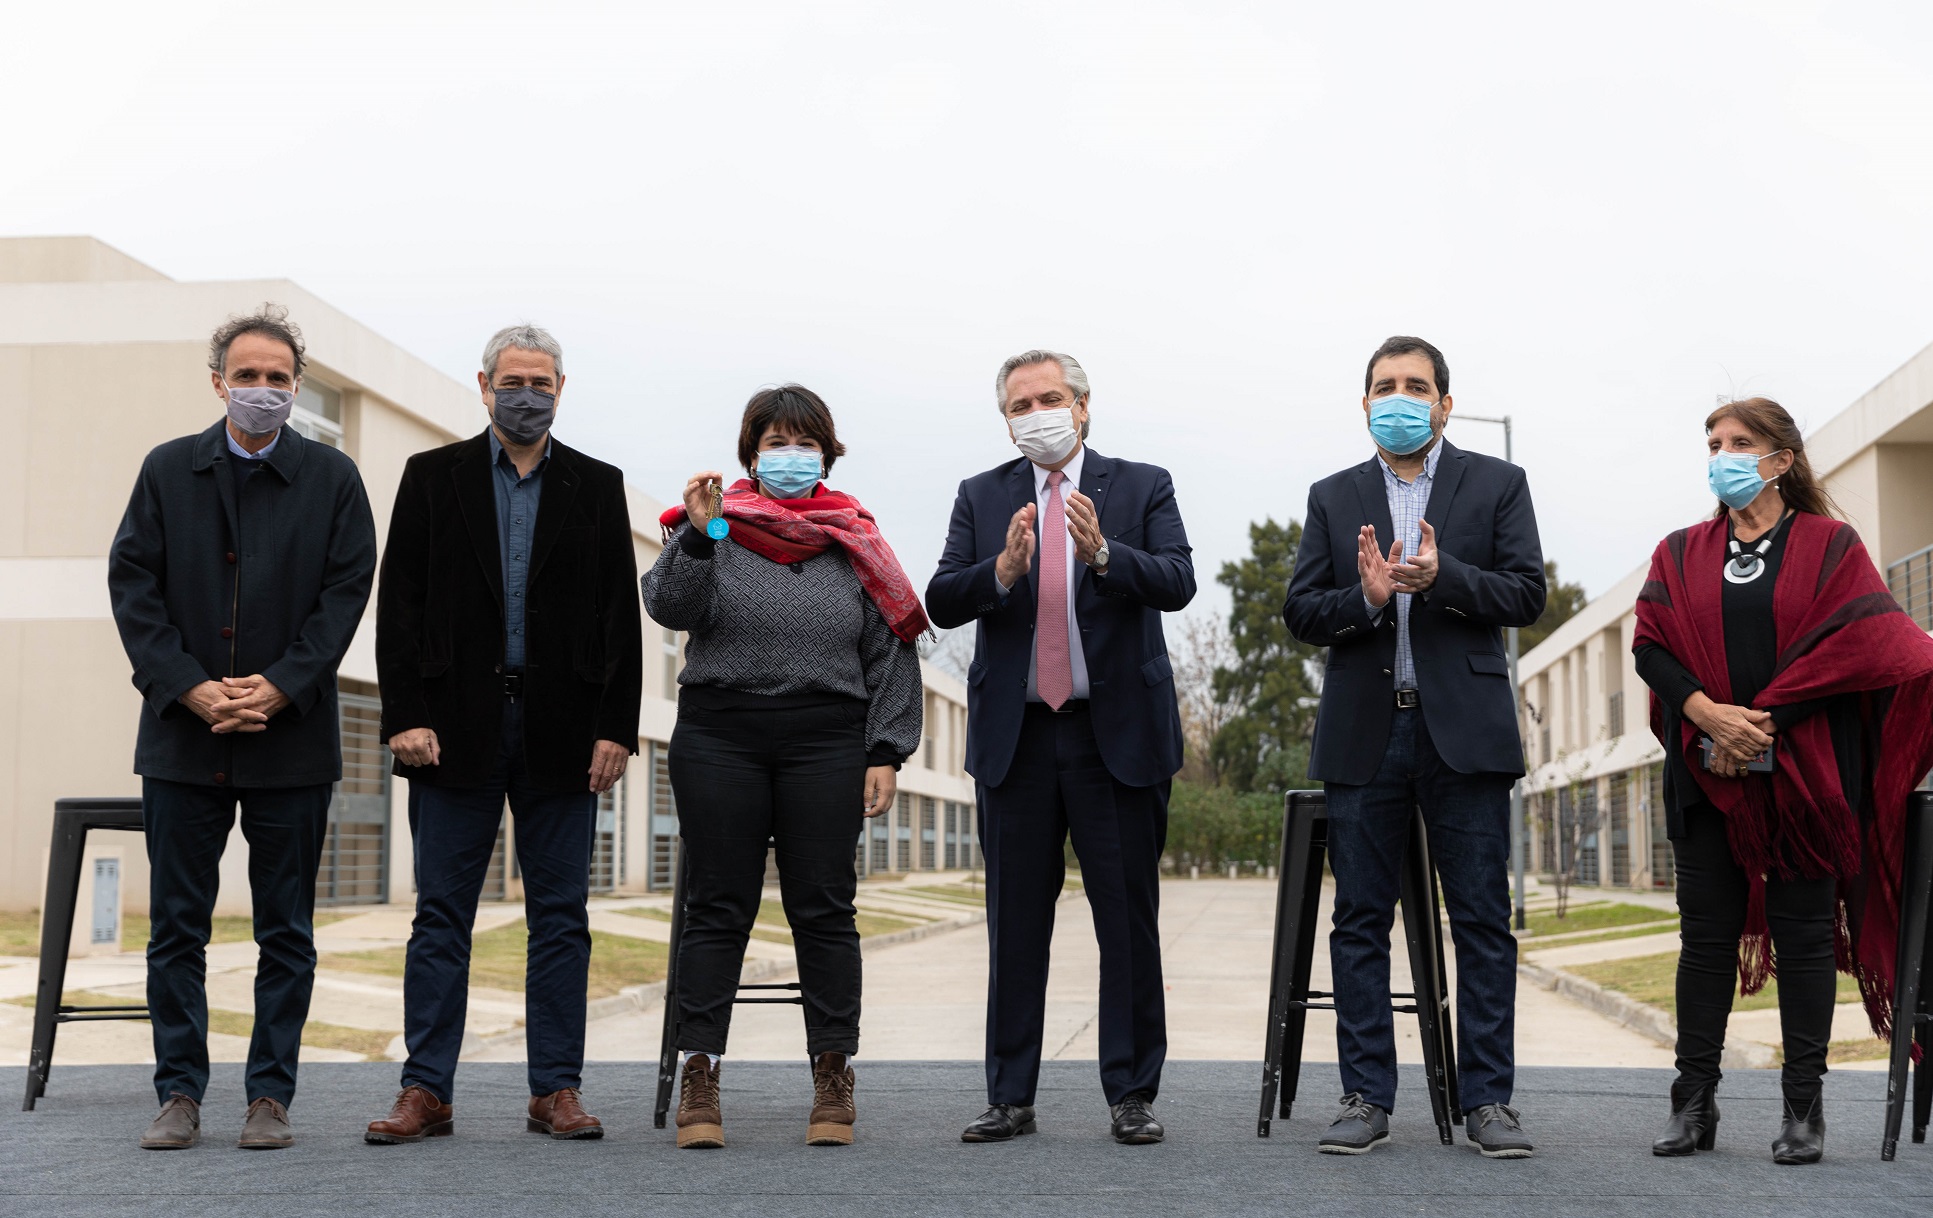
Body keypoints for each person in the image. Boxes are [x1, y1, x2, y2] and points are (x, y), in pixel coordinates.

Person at [1633, 397, 1933, 1165]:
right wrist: (1707, 718)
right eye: (1712, 443)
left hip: (1805, 774)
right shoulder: (1677, 551)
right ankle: (1691, 1106)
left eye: (1740, 442)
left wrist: (1756, 722)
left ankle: (1803, 1111)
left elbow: (1864, 642)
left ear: (1781, 460)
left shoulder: (1832, 546)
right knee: (1703, 942)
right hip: (1705, 774)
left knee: (1802, 943)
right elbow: (1651, 646)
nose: (1721, 454)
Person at [107, 305, 378, 1151]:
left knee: (284, 931)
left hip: (290, 743)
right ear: (218, 379)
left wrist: (283, 685)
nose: (263, 390)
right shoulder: (164, 472)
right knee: (176, 929)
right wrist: (187, 686)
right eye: (248, 375)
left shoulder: (333, 482)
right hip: (183, 740)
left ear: (296, 389)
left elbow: (346, 593)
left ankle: (270, 1097)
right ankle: (179, 1092)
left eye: (279, 379)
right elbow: (132, 587)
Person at [365, 324, 642, 1145]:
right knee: (440, 915)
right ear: (483, 386)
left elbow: (616, 617)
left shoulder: (597, 485)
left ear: (562, 388)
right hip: (450, 730)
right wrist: (404, 713)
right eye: (513, 381)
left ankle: (555, 1087)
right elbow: (401, 605)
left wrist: (615, 727)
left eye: (543, 383)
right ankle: (427, 1089)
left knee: (561, 916)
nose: (528, 395)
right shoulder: (430, 477)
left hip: (563, 730)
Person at [1283, 335, 1545, 1159]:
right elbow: (1299, 612)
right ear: (1364, 404)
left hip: (1463, 734)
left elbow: (1526, 593)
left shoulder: (1497, 483)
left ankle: (1488, 1102)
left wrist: (1446, 579)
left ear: (1444, 401)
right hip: (1366, 732)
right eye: (1384, 386)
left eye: (1415, 385)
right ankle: (1365, 1096)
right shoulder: (1333, 496)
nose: (1399, 397)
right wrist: (1360, 599)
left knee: (1481, 921)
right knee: (1360, 920)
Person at [645, 384, 925, 1149]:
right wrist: (700, 537)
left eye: (804, 444)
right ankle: (700, 1074)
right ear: (750, 454)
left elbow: (890, 649)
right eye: (774, 443)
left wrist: (885, 750)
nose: (789, 457)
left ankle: (832, 1073)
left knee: (824, 908)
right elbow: (669, 607)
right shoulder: (709, 527)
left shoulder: (856, 540)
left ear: (827, 455)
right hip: (720, 734)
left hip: (827, 740)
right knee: (718, 904)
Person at [927, 349, 1195, 1146]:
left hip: (1114, 736)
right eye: (1018, 405)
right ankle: (1009, 1095)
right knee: (1014, 926)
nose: (1034, 413)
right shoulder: (981, 496)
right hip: (1016, 738)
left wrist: (1105, 556)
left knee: (1127, 923)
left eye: (1048, 398)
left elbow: (1178, 580)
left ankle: (1132, 1094)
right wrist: (1000, 570)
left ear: (1081, 407)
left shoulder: (1142, 485)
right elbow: (942, 598)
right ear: (1004, 419)